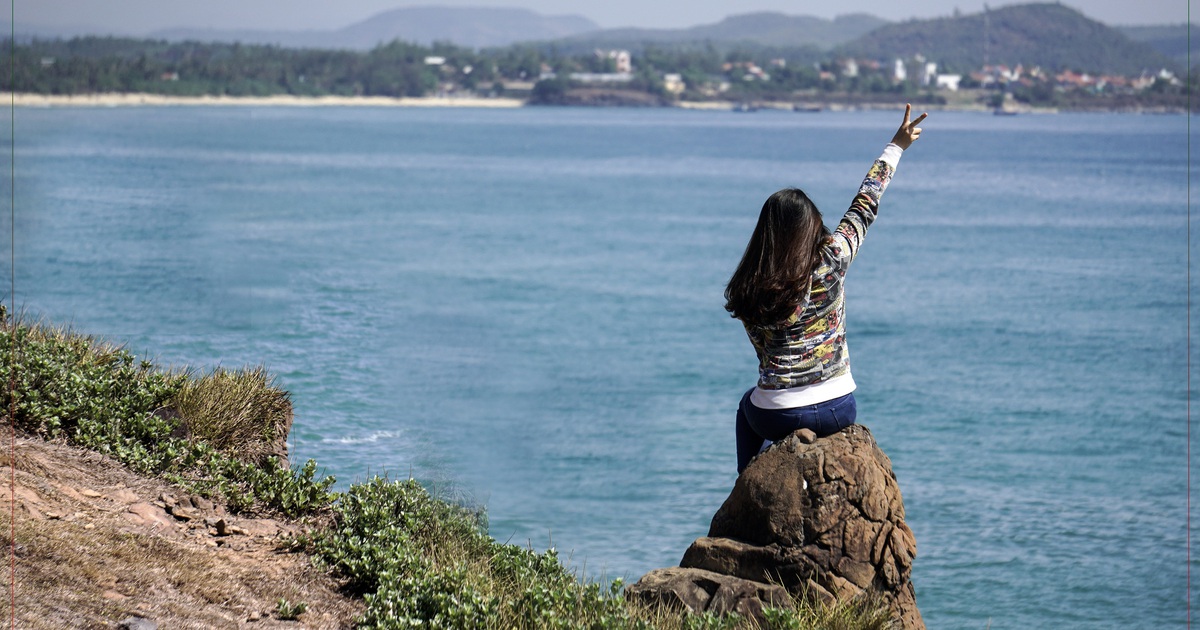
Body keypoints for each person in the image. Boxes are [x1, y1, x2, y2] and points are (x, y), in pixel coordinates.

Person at [724, 104, 927, 473]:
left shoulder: (750, 288)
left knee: (745, 407)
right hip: (838, 407)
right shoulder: (833, 258)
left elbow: (764, 356)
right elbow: (866, 203)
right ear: (811, 227)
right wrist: (896, 146)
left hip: (776, 416)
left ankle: (748, 484)